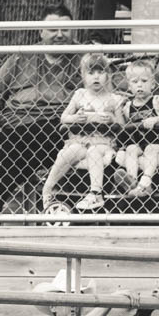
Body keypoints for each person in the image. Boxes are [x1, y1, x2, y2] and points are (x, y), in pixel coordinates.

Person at [0, 5, 82, 217]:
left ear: (73, 30)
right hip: (15, 128)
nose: (59, 35)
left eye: (65, 29)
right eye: (52, 30)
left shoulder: (84, 58)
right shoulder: (21, 58)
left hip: (60, 128)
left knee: (32, 137)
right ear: (41, 31)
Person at [40, 53, 123, 213]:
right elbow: (64, 117)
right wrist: (76, 118)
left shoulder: (113, 99)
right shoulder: (80, 94)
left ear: (108, 75)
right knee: (70, 152)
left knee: (93, 151)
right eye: (91, 73)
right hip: (79, 140)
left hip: (102, 143)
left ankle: (95, 194)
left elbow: (121, 125)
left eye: (101, 72)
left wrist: (111, 119)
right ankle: (48, 189)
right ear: (83, 76)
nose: (96, 77)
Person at [114, 60, 159, 198]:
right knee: (130, 149)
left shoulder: (158, 100)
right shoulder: (128, 106)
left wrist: (156, 119)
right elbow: (123, 128)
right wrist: (117, 109)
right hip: (138, 144)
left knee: (150, 149)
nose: (140, 84)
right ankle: (132, 182)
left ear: (152, 84)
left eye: (144, 81)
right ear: (129, 86)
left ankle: (145, 182)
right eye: (135, 82)